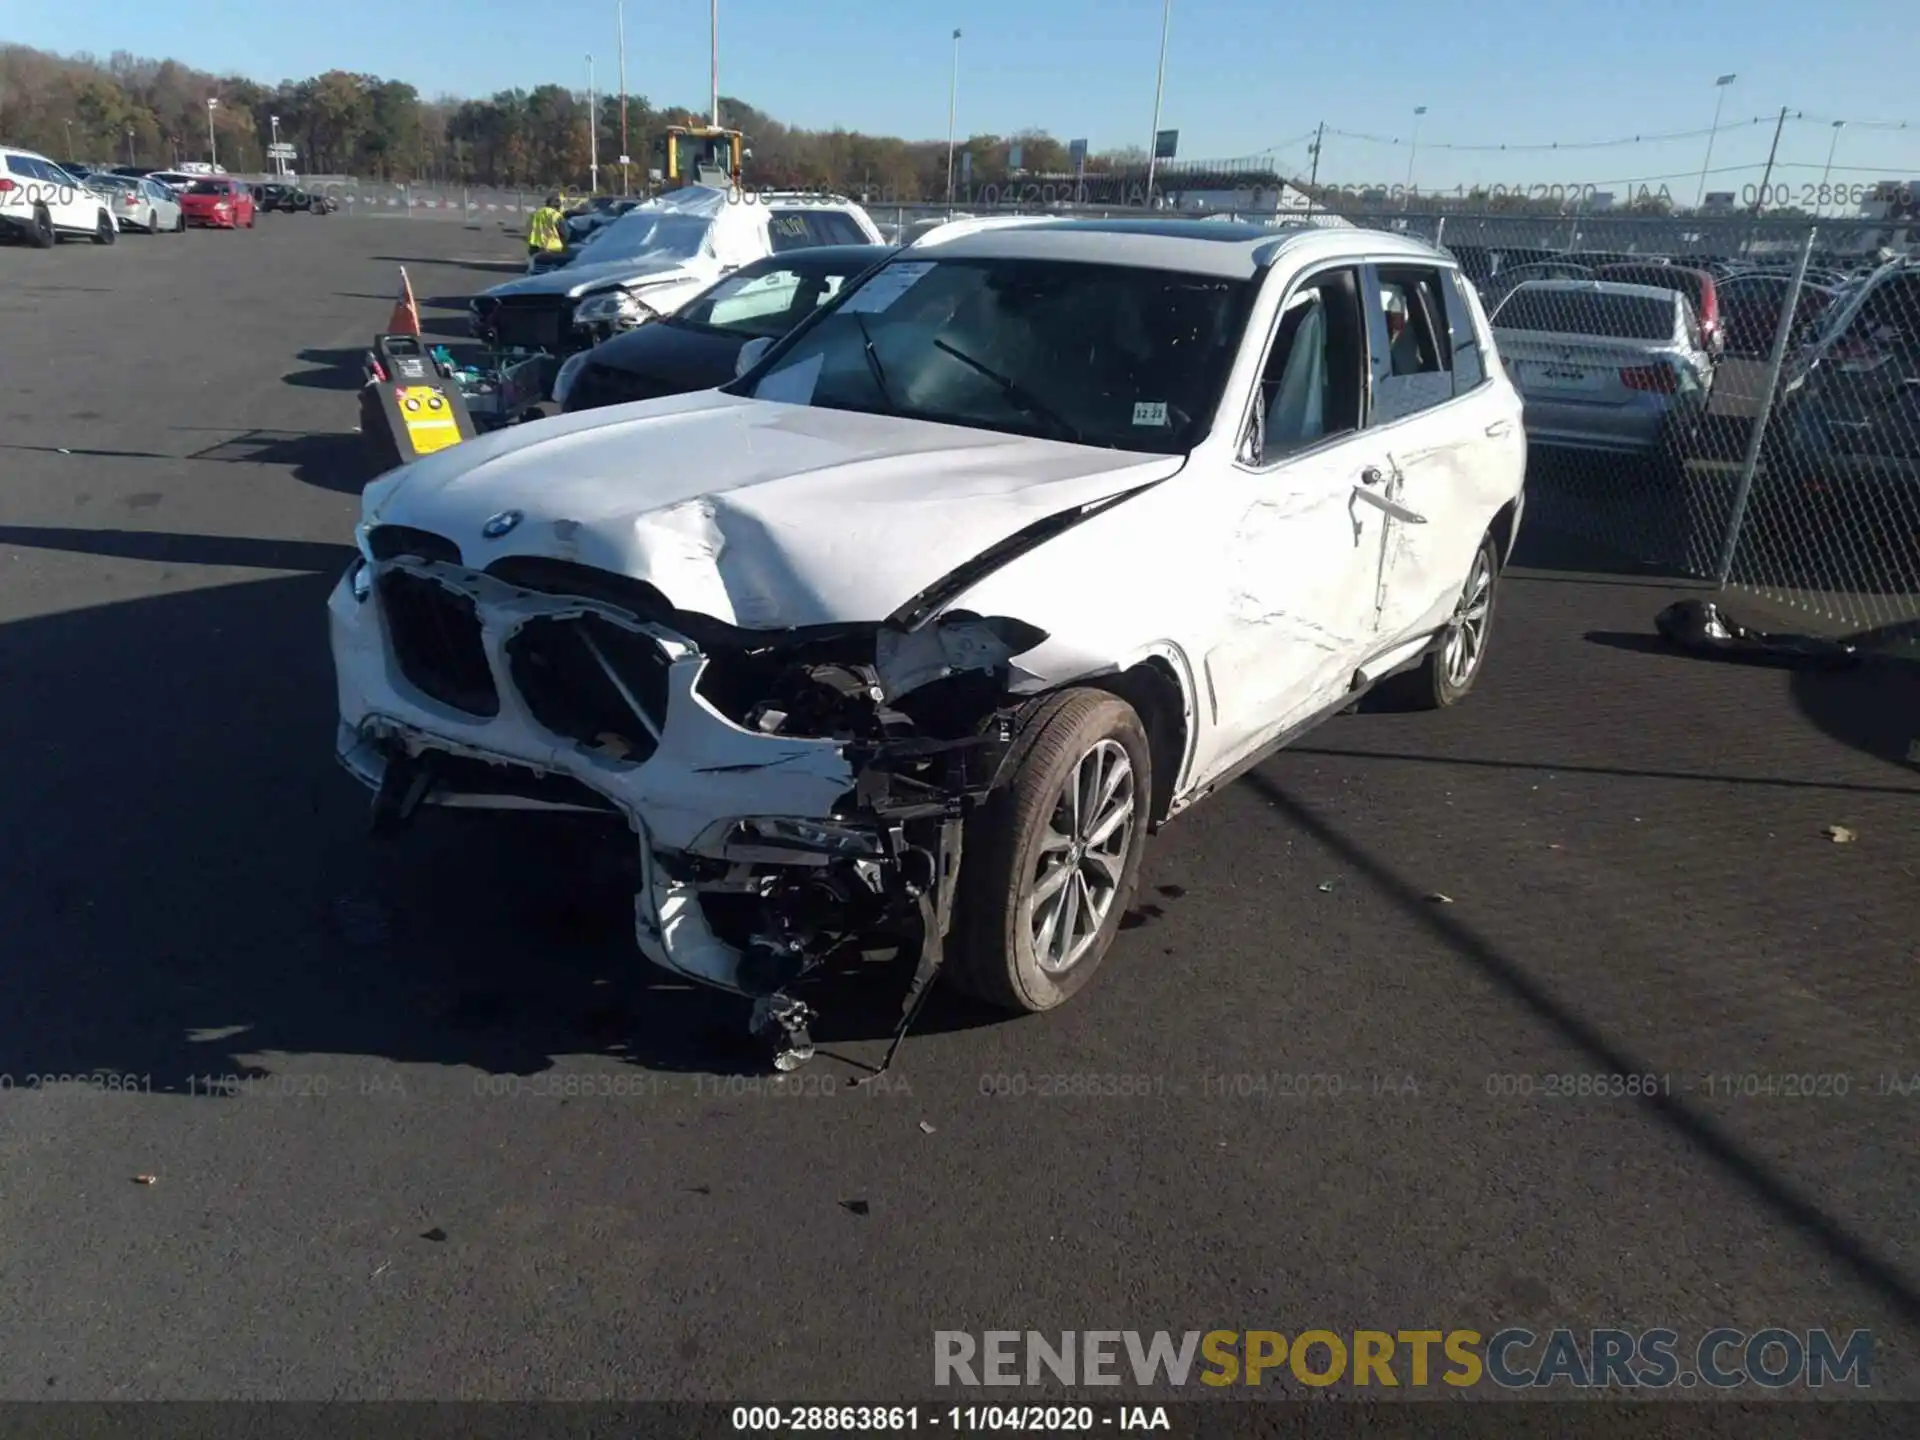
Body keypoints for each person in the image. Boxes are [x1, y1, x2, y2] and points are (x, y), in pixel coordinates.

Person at [526, 194, 566, 263]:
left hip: (534, 247)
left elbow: (529, 227)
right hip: (552, 248)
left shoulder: (536, 213)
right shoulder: (556, 215)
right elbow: (564, 233)